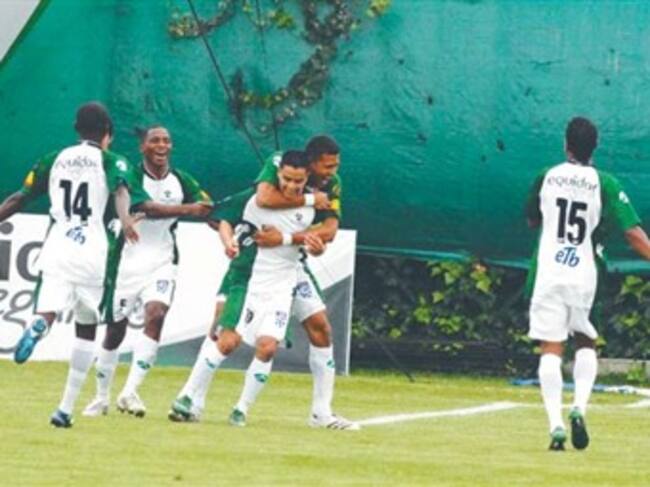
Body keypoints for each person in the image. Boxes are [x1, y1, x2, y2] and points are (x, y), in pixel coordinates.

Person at [0, 102, 144, 427]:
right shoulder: (112, 160)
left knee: (48, 309)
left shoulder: (54, 159)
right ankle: (65, 409)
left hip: (58, 246)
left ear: (77, 129)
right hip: (92, 251)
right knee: (86, 326)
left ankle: (40, 324)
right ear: (108, 132)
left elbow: (19, 198)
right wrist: (125, 219)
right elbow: (121, 191)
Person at [169, 150, 328, 426]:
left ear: (306, 179)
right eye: (287, 179)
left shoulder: (310, 208)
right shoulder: (256, 200)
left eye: (298, 181)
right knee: (227, 340)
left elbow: (313, 241)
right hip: (248, 280)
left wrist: (317, 248)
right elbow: (225, 218)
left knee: (268, 348)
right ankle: (188, 396)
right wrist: (229, 241)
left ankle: (241, 409)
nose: (292, 186)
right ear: (278, 174)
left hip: (282, 286)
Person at [525, 116, 650, 451]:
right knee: (585, 341)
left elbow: (532, 218)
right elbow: (632, 232)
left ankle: (555, 426)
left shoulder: (546, 176)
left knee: (550, 347)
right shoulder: (603, 183)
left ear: (565, 144)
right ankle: (579, 407)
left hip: (549, 271)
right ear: (595, 147)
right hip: (583, 274)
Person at [82, 125, 213, 418]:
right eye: (155, 140)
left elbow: (207, 207)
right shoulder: (130, 175)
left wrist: (224, 226)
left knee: (156, 314)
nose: (162, 145)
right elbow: (145, 207)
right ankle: (101, 397)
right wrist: (190, 210)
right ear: (143, 147)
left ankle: (130, 392)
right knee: (115, 330)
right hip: (126, 263)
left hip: (163, 261)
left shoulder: (182, 180)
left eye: (167, 140)